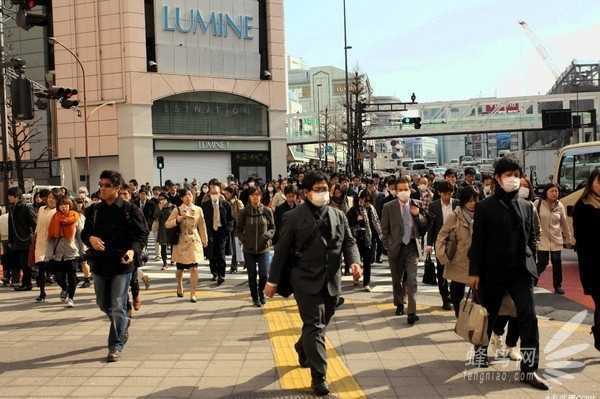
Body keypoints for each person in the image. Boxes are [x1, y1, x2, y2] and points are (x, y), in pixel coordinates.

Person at [264, 170, 362, 397]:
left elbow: (349, 242)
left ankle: (302, 346)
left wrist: (355, 263)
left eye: (325, 188)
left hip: (331, 280)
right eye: (317, 189)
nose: (322, 193)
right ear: (306, 193)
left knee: (320, 323)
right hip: (304, 279)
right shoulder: (293, 217)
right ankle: (319, 378)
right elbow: (280, 251)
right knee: (315, 326)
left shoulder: (339, 215)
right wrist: (272, 280)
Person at [468, 157, 549, 390]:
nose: (512, 179)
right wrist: (475, 272)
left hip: (520, 273)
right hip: (492, 272)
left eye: (516, 174)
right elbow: (478, 241)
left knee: (529, 319)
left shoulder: (526, 206)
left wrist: (532, 266)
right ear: (497, 178)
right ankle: (481, 352)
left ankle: (529, 370)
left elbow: (532, 237)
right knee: (489, 316)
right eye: (507, 175)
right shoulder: (485, 207)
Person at [82, 170, 149, 362]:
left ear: (117, 189)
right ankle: (123, 322)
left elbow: (142, 234)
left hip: (122, 263)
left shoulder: (130, 210)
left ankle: (116, 344)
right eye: (101, 185)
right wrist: (91, 238)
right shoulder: (93, 210)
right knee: (103, 303)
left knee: (117, 304)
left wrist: (132, 250)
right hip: (100, 263)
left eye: (107, 185)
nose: (102, 189)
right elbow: (85, 233)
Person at [381, 176, 429, 324]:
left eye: (406, 189)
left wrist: (418, 216)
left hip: (412, 247)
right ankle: (400, 303)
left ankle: (412, 312)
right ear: (395, 191)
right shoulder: (388, 207)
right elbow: (384, 230)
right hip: (395, 247)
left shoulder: (417, 204)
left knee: (412, 280)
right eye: (400, 190)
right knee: (397, 279)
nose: (403, 192)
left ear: (410, 190)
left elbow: (424, 226)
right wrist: (388, 245)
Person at [435, 186, 479, 317]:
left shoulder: (482, 214)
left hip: (477, 260)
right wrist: (442, 255)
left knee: (478, 294)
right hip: (458, 260)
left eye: (475, 200)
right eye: (469, 200)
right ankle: (459, 317)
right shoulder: (454, 215)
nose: (472, 203)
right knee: (456, 293)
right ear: (463, 201)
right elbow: (441, 235)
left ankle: (476, 320)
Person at [573, 168, 600, 352]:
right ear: (591, 182)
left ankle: (597, 332)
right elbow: (582, 241)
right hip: (593, 266)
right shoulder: (582, 207)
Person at [166, 188, 208, 303]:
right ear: (181, 198)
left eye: (190, 194)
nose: (188, 197)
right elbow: (167, 224)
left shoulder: (198, 209)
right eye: (185, 195)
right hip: (181, 242)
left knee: (194, 268)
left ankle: (193, 293)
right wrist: (177, 220)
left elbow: (202, 225)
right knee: (180, 269)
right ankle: (179, 285)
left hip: (194, 240)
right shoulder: (177, 210)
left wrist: (204, 239)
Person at [237, 187, 275, 307]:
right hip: (249, 249)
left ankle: (261, 293)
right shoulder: (244, 211)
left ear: (261, 196)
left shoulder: (267, 210)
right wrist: (244, 240)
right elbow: (238, 229)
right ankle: (255, 297)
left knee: (264, 274)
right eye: (253, 195)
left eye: (258, 194)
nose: (255, 197)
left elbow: (273, 228)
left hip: (264, 248)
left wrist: (267, 236)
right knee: (252, 274)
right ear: (249, 197)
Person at [534, 183, 573, 295]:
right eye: (552, 191)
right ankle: (533, 280)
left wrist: (568, 239)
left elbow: (564, 224)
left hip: (556, 239)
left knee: (557, 262)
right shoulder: (538, 203)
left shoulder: (560, 205)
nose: (554, 193)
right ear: (546, 192)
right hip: (542, 239)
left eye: (556, 191)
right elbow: (533, 221)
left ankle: (557, 286)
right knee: (542, 262)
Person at [426, 181, 458, 310]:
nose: (447, 197)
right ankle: (445, 298)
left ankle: (455, 295)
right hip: (440, 242)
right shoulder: (433, 206)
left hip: (456, 241)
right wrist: (429, 244)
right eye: (445, 194)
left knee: (456, 269)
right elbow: (431, 226)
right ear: (439, 193)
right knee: (441, 270)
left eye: (449, 194)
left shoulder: (457, 204)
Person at [46, 197, 83, 308]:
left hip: (72, 251)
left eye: (66, 204)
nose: (64, 207)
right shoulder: (55, 217)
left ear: (70, 205)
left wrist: (83, 251)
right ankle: (65, 288)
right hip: (58, 252)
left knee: (72, 276)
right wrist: (48, 253)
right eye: (61, 205)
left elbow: (80, 236)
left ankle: (71, 298)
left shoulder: (76, 217)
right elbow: (51, 237)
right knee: (58, 276)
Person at [347, 190, 382, 292]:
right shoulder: (353, 210)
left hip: (369, 238)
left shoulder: (371, 209)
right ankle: (356, 278)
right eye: (362, 199)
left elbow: (376, 222)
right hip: (357, 239)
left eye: (367, 200)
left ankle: (366, 283)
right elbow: (348, 223)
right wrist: (356, 220)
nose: (364, 202)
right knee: (357, 261)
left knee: (367, 262)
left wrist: (380, 235)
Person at [201, 179, 233, 285]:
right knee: (212, 253)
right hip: (210, 231)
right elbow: (202, 220)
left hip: (221, 231)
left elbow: (230, 219)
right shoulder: (205, 205)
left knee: (221, 253)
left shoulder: (225, 204)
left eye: (216, 189)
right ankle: (214, 272)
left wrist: (227, 230)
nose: (214, 192)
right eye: (212, 189)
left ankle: (221, 274)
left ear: (220, 191)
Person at [6, 187, 36, 291]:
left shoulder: (26, 207)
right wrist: (10, 240)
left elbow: (34, 223)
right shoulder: (11, 208)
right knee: (20, 263)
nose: (8, 197)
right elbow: (11, 226)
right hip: (16, 241)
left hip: (26, 240)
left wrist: (33, 236)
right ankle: (24, 283)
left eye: (10, 195)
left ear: (17, 196)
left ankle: (27, 284)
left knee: (26, 263)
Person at [34, 189, 58, 302]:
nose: (51, 200)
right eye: (49, 197)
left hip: (53, 244)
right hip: (40, 242)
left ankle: (65, 288)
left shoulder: (58, 211)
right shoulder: (41, 209)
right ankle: (42, 293)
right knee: (41, 269)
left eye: (53, 198)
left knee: (57, 270)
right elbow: (38, 226)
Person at [223, 186, 244, 273]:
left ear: (231, 193)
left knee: (236, 247)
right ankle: (236, 265)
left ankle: (234, 266)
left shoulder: (237, 202)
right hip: (228, 227)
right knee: (234, 247)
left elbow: (242, 214)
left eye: (227, 193)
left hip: (236, 227)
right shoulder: (224, 202)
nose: (226, 195)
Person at [156, 193, 174, 270]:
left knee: (173, 245)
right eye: (160, 199)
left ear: (166, 198)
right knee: (163, 246)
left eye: (163, 198)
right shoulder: (158, 207)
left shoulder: (172, 206)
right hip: (162, 229)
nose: (161, 200)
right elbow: (155, 216)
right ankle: (165, 263)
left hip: (171, 228)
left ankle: (173, 259)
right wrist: (160, 209)